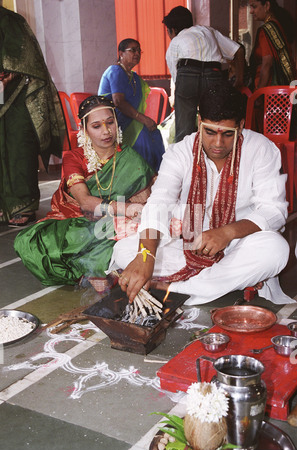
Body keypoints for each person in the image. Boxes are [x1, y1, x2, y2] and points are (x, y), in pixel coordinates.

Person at [109, 82, 294, 307]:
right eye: (210, 132)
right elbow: (159, 202)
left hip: (239, 244)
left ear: (241, 125)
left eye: (228, 134)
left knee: (276, 249)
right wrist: (146, 256)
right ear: (199, 122)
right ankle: (214, 286)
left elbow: (273, 210)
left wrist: (227, 233)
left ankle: (176, 290)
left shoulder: (260, 149)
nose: (218, 143)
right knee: (125, 250)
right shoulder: (179, 152)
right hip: (189, 244)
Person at [14, 96, 155, 291]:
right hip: (76, 221)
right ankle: (98, 267)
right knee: (29, 241)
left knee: (129, 236)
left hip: (115, 225)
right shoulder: (74, 157)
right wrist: (125, 208)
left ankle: (98, 268)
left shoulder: (131, 159)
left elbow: (153, 195)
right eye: (96, 126)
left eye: (110, 123)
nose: (106, 131)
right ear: (84, 130)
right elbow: (85, 202)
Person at [0, 6, 65, 226]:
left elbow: (28, 59)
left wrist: (8, 74)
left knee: (19, 150)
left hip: (18, 98)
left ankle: (24, 206)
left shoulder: (12, 21)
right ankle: (4, 206)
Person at [162, 6, 245, 142]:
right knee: (217, 124)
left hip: (186, 74)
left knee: (184, 131)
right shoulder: (208, 31)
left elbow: (178, 81)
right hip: (214, 74)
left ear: (173, 30)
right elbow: (239, 51)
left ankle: (186, 161)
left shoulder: (175, 43)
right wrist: (239, 80)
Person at [98, 38, 165, 172]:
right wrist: (144, 119)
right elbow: (119, 102)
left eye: (139, 51)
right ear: (121, 53)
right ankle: (141, 179)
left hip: (131, 120)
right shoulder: (115, 71)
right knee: (144, 140)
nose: (137, 54)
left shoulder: (134, 77)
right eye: (133, 50)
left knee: (154, 135)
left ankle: (155, 179)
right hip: (114, 122)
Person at [249, 0, 296, 90]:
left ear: (267, 5)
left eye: (254, 7)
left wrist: (258, 94)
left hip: (270, 91)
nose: (251, 11)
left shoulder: (266, 30)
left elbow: (267, 64)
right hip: (284, 89)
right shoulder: (278, 26)